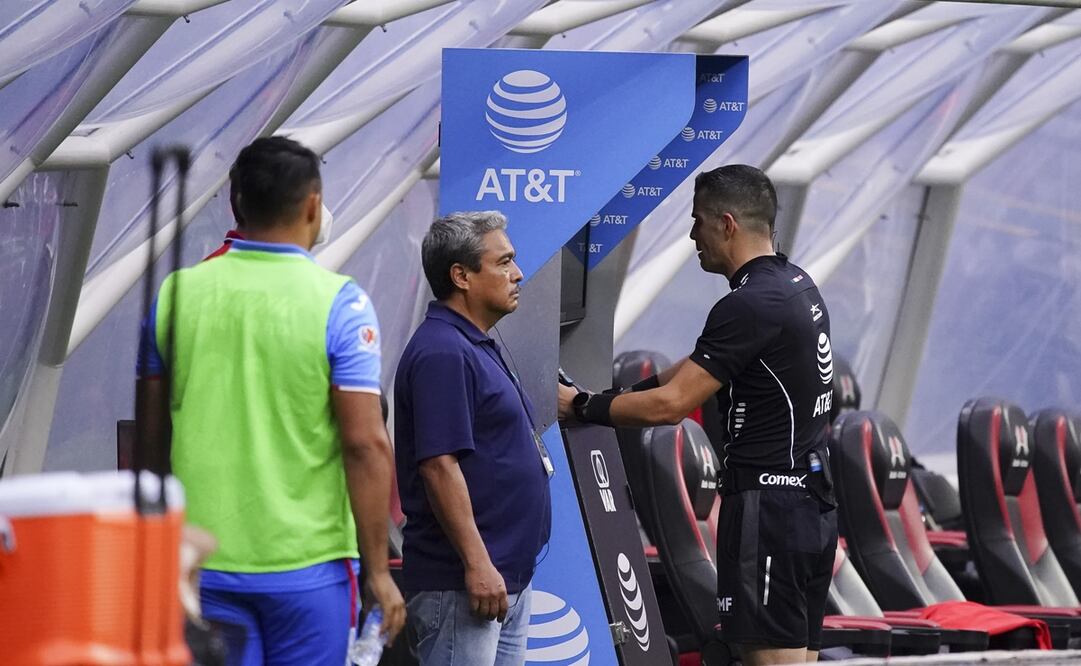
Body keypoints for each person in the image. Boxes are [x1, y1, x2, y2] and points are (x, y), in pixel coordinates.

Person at [136, 136, 404, 665]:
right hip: (308, 571)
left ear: (236, 202)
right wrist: (378, 570)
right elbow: (365, 444)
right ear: (312, 205)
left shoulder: (174, 294)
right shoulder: (341, 303)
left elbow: (148, 437)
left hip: (199, 561)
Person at [558, 165, 838, 666]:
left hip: (767, 511)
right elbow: (692, 370)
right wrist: (607, 394)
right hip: (809, 507)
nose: (692, 235)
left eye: (698, 221)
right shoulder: (795, 284)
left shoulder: (748, 304)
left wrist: (582, 407)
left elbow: (672, 406)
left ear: (727, 224)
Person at [395, 211, 552, 666]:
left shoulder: (471, 343)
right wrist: (478, 564)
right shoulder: (443, 351)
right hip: (465, 583)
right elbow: (439, 465)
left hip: (498, 581)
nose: (518, 273)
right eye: (503, 262)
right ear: (461, 276)